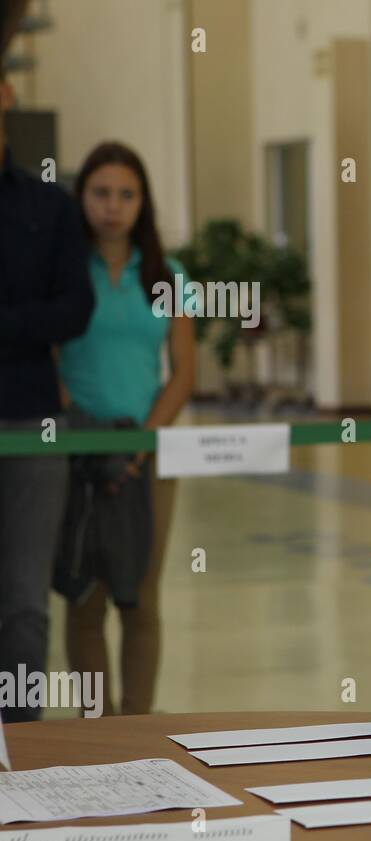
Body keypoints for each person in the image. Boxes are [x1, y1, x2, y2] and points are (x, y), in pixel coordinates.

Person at [59, 142, 195, 715]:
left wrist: (140, 446)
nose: (113, 207)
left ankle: (136, 724)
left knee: (140, 598)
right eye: (100, 193)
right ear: (82, 197)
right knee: (85, 596)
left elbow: (185, 372)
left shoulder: (168, 275)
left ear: (143, 202)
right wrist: (83, 428)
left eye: (126, 194)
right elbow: (45, 356)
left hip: (150, 455)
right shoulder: (61, 267)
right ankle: (96, 729)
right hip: (76, 450)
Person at [0, 0, 95, 723]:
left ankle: (22, 745)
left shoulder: (48, 207)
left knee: (24, 601)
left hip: (33, 423)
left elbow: (74, 307)